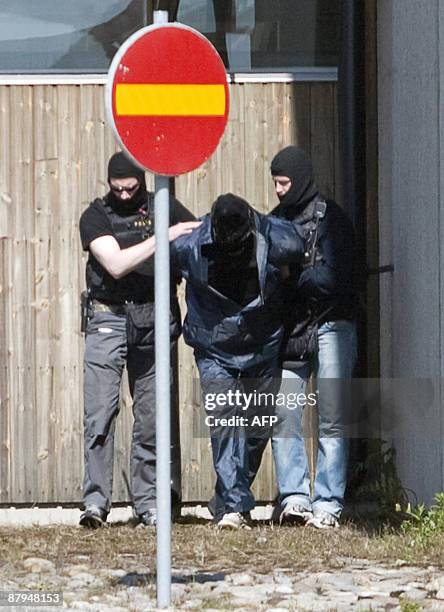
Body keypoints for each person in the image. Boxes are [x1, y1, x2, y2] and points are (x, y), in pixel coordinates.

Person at [78, 151, 199, 528]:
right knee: (100, 414)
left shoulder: (163, 206)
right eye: (118, 190)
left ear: (141, 184)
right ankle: (95, 504)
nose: (125, 196)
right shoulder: (95, 216)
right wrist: (164, 236)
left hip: (154, 317)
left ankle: (148, 504)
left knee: (150, 417)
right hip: (108, 319)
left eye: (131, 189)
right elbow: (114, 265)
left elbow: (196, 235)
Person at [172, 193, 305, 529]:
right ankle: (235, 507)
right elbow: (159, 269)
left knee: (258, 428)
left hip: (262, 346)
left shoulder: (276, 239)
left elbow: (298, 246)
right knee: (225, 420)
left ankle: (228, 496)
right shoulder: (190, 246)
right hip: (214, 347)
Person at [270, 146, 357, 529]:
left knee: (333, 418)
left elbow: (340, 277)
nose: (278, 190)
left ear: (300, 180)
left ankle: (328, 503)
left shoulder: (332, 220)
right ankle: (294, 498)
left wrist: (299, 274)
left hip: (333, 326)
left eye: (284, 182)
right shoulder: (274, 221)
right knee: (283, 413)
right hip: (291, 330)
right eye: (274, 182)